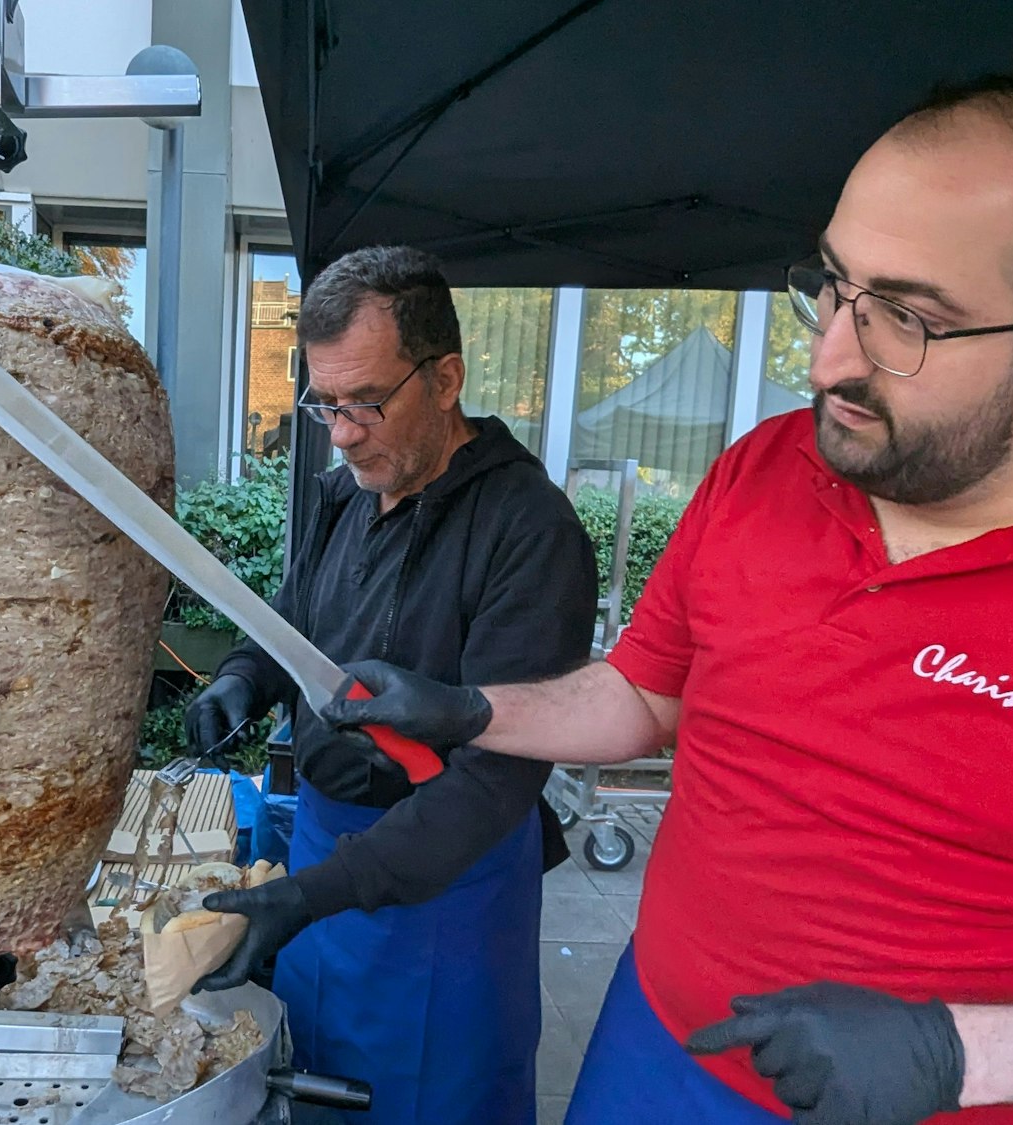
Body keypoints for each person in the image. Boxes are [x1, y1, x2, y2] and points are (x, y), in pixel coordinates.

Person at [321, 76, 1013, 1125]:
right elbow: (645, 697)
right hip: (656, 1051)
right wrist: (478, 709)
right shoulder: (762, 470)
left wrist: (961, 1051)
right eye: (834, 287)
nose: (828, 357)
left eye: (904, 317)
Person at [185, 245, 599, 1124]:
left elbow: (495, 780)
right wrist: (242, 678)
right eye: (325, 403)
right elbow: (296, 624)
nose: (340, 432)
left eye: (366, 402)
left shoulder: (530, 529)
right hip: (323, 859)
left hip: (450, 876)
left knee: (433, 1101)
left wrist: (308, 896)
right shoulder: (344, 494)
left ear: (446, 377)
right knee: (317, 1086)